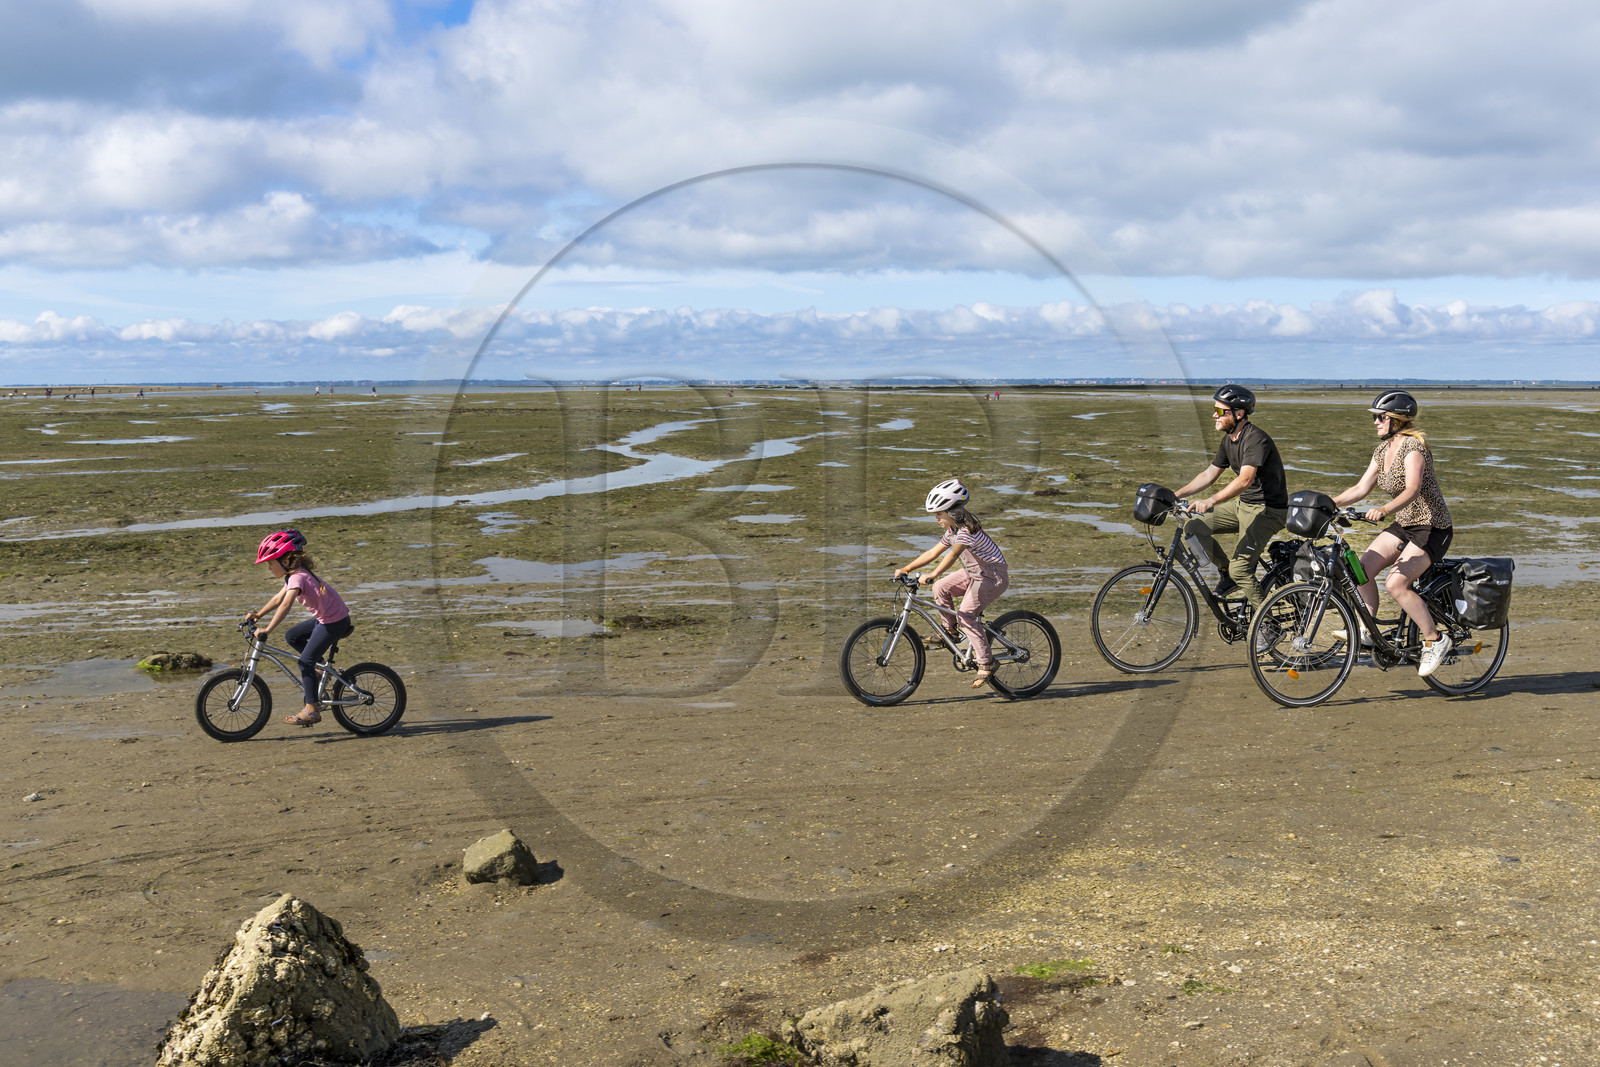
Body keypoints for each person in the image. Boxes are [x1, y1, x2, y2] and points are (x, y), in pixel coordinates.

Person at [1328, 390, 1455, 677]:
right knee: (1360, 571)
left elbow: (1412, 489)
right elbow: (1361, 489)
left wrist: (1384, 509)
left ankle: (1435, 639)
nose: (1375, 422)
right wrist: (1328, 503)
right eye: (1374, 417)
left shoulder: (1413, 448)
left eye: (1380, 417)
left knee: (1396, 585)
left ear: (1396, 419)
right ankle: (1368, 630)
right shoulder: (1382, 451)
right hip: (1405, 525)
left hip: (1432, 527)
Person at [1174, 384, 1289, 609]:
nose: (1213, 415)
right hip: (1243, 505)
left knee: (1242, 570)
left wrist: (1211, 500)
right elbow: (1209, 474)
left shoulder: (1256, 439)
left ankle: (1268, 625)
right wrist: (1175, 494)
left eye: (1219, 411)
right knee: (1194, 529)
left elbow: (1245, 480)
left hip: (1268, 510)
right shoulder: (1229, 440)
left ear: (1239, 413)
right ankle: (1226, 574)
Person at [894, 479, 1010, 688]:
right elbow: (933, 552)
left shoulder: (966, 531)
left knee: (966, 615)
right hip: (974, 573)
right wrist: (907, 568)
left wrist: (934, 573)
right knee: (941, 588)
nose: (937, 518)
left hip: (993, 576)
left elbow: (953, 555)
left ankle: (987, 662)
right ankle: (950, 632)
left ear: (952, 513)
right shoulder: (952, 531)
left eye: (939, 514)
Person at [245, 529, 354, 726]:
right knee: (292, 636)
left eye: (270, 563)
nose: (269, 568)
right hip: (327, 618)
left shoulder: (298, 577)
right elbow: (278, 599)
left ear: (285, 560)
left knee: (305, 663)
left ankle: (312, 710)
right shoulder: (293, 576)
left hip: (334, 621)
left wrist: (267, 630)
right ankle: (321, 669)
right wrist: (258, 614)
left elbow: (286, 605)